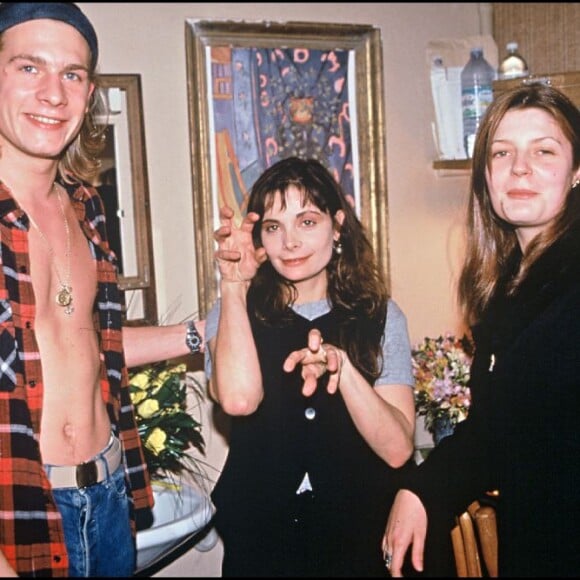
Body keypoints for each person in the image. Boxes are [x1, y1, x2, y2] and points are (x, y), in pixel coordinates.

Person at [0, 3, 204, 577]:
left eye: (72, 74)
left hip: (109, 496)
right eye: (28, 67)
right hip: (21, 517)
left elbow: (91, 344)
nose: (53, 93)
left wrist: (201, 332)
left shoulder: (87, 208)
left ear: (89, 94)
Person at [382, 82, 580, 578]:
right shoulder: (510, 287)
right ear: (485, 175)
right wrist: (422, 488)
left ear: (577, 173)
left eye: (544, 151)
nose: (520, 168)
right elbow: (501, 431)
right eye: (502, 152)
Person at [205, 156, 416, 577]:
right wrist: (233, 285)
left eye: (306, 222)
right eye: (273, 227)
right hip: (261, 544)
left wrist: (346, 371)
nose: (289, 242)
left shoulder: (382, 316)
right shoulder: (232, 311)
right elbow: (239, 399)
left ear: (337, 226)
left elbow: (397, 450)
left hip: (359, 541)